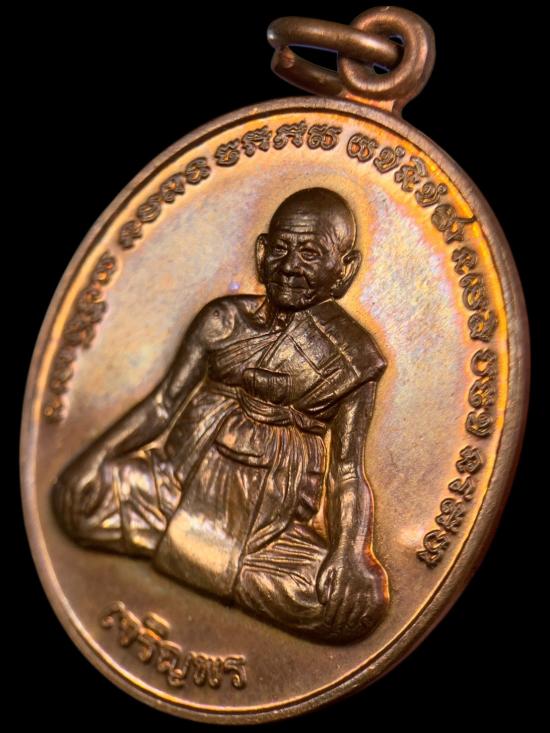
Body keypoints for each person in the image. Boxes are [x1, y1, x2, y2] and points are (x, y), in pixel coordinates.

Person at [52, 187, 389, 643]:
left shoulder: (353, 357)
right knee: (76, 500)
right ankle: (198, 554)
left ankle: (190, 554)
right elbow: (162, 405)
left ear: (344, 270)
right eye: (282, 248)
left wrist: (350, 551)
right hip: (173, 491)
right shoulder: (224, 321)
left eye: (311, 253)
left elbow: (346, 471)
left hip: (268, 535)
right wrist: (95, 458)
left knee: (354, 607)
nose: (291, 266)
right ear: (261, 252)